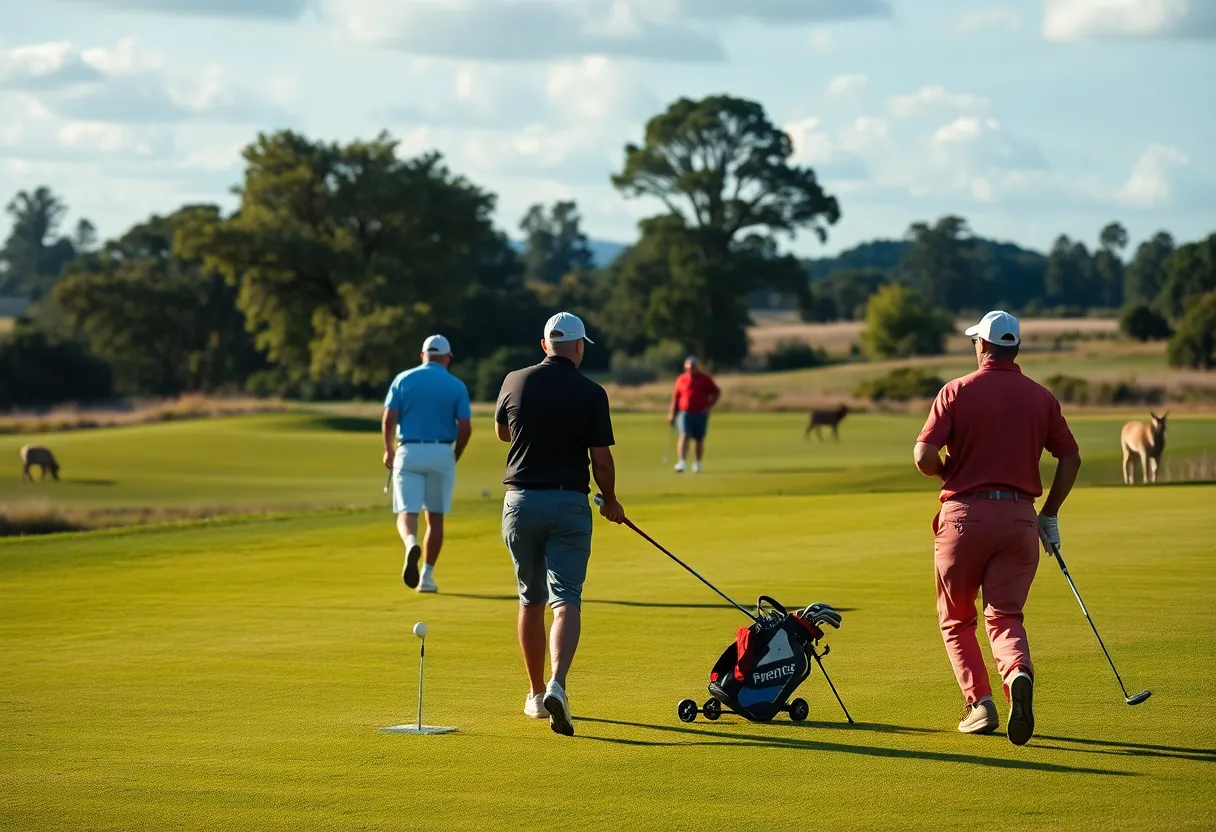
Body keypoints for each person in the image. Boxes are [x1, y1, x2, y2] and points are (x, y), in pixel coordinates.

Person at [913, 310, 1082, 746]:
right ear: (1016, 348)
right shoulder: (1041, 397)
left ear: (983, 346)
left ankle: (980, 705)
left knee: (956, 618)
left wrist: (945, 470)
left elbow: (923, 456)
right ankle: (1018, 674)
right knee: (1004, 615)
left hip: (964, 520)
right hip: (1021, 520)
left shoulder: (956, 391)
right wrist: (1050, 513)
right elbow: (1070, 458)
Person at [494, 311, 626, 736]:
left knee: (529, 598)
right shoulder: (591, 392)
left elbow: (502, 433)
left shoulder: (515, 379)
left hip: (520, 502)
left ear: (544, 344)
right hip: (569, 503)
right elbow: (601, 459)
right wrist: (612, 501)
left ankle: (535, 695)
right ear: (578, 346)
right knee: (565, 598)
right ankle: (558, 684)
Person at [382, 334, 473, 594]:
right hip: (441, 452)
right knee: (435, 518)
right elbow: (465, 427)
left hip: (408, 450)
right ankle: (427, 577)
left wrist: (389, 450)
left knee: (407, 513)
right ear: (448, 358)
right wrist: (455, 454)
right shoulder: (456, 385)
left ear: (423, 356)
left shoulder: (403, 379)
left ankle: (411, 542)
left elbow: (389, 418)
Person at [668, 356, 720, 473]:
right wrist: (672, 413)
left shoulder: (705, 379)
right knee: (684, 435)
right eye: (688, 368)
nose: (691, 369)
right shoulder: (681, 379)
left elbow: (716, 392)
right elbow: (676, 397)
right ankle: (681, 462)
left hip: (700, 413)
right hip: (684, 412)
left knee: (699, 439)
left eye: (693, 367)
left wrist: (709, 406)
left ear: (697, 367)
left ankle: (698, 463)